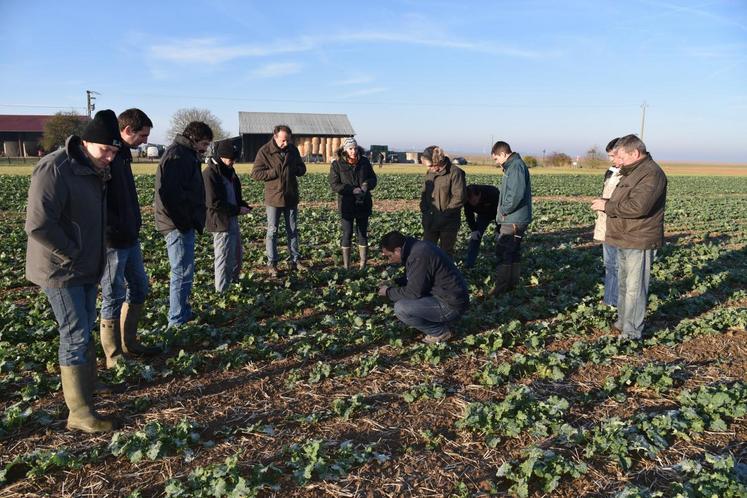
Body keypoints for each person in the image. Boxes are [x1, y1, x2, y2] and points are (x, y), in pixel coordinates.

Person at [25, 110, 122, 432]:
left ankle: (88, 385)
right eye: (104, 150)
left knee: (84, 327)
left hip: (86, 264)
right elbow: (38, 224)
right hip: (60, 269)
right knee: (75, 333)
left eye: (114, 151)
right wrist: (72, 252)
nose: (109, 157)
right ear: (84, 143)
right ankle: (79, 413)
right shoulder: (55, 168)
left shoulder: (93, 169)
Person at [99, 109, 159, 370]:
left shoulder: (122, 156)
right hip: (112, 239)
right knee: (113, 294)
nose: (145, 141)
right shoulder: (107, 157)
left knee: (139, 287)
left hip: (129, 235)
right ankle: (113, 357)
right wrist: (112, 228)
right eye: (142, 135)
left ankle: (129, 342)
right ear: (127, 131)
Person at [591, 134, 667, 339]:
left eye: (621, 157)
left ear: (635, 153)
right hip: (624, 236)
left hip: (638, 238)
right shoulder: (632, 172)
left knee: (635, 288)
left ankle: (632, 331)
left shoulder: (651, 174)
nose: (619, 161)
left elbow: (639, 206)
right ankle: (623, 322)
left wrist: (606, 205)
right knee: (624, 284)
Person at [154, 121, 211, 327]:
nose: (205, 148)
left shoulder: (186, 154)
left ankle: (184, 312)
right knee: (180, 271)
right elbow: (170, 195)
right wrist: (184, 222)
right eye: (204, 143)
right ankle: (176, 320)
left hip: (182, 222)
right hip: (176, 224)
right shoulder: (177, 155)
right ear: (194, 139)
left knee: (186, 270)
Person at [378, 231, 469, 344]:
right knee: (401, 297)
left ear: (397, 250)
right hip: (447, 296)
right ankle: (438, 320)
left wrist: (388, 292)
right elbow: (415, 278)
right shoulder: (415, 248)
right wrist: (394, 282)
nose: (389, 260)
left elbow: (414, 292)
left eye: (390, 256)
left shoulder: (419, 256)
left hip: (451, 305)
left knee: (401, 308)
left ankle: (440, 332)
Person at [251, 125, 307, 277]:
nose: (286, 143)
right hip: (274, 199)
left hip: (291, 197)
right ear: (275, 137)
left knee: (293, 231)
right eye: (283, 140)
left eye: (288, 140)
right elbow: (256, 174)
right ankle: (272, 263)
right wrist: (274, 172)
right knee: (272, 232)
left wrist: (298, 169)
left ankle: (295, 260)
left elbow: (302, 168)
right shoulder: (265, 151)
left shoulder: (293, 150)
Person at [203, 140, 251, 292]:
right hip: (220, 222)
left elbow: (235, 195)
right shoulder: (210, 174)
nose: (233, 162)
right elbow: (213, 202)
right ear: (221, 157)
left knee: (236, 255)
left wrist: (242, 204)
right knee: (223, 257)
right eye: (231, 159)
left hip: (232, 219)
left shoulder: (230, 171)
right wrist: (237, 210)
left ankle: (234, 283)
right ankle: (221, 291)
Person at [489, 141, 532, 295]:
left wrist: (504, 211)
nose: (496, 162)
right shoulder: (513, 166)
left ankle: (501, 288)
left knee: (504, 251)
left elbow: (516, 194)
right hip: (514, 217)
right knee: (512, 252)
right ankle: (511, 286)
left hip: (513, 218)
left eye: (496, 159)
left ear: (503, 154)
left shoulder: (515, 167)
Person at [329, 137, 377, 269]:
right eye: (350, 148)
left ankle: (363, 265)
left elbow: (373, 178)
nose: (353, 151)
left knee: (362, 233)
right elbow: (334, 185)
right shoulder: (337, 164)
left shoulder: (365, 162)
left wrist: (367, 184)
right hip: (347, 205)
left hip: (363, 203)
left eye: (355, 148)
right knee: (347, 233)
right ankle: (346, 266)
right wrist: (351, 190)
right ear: (345, 150)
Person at [592, 138, 624, 307]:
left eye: (613, 155)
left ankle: (617, 303)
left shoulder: (630, 175)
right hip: (606, 225)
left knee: (618, 267)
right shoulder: (611, 172)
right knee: (610, 265)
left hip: (618, 227)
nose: (611, 160)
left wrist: (605, 204)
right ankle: (609, 300)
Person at [419, 146, 466, 258]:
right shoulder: (430, 173)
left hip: (448, 223)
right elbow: (424, 194)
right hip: (430, 221)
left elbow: (459, 198)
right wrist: (424, 210)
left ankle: (444, 275)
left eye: (430, 166)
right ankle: (429, 275)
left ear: (437, 161)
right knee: (427, 251)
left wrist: (444, 216)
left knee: (445, 254)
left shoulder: (455, 173)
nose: (429, 169)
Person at [463, 184, 500, 268]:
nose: (473, 204)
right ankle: (469, 264)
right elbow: (469, 215)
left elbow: (501, 212)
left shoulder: (492, 193)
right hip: (483, 215)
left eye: (474, 200)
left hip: (497, 213)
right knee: (475, 237)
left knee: (502, 238)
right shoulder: (466, 198)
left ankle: (501, 262)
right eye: (470, 202)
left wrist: (499, 229)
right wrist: (473, 229)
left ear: (479, 194)